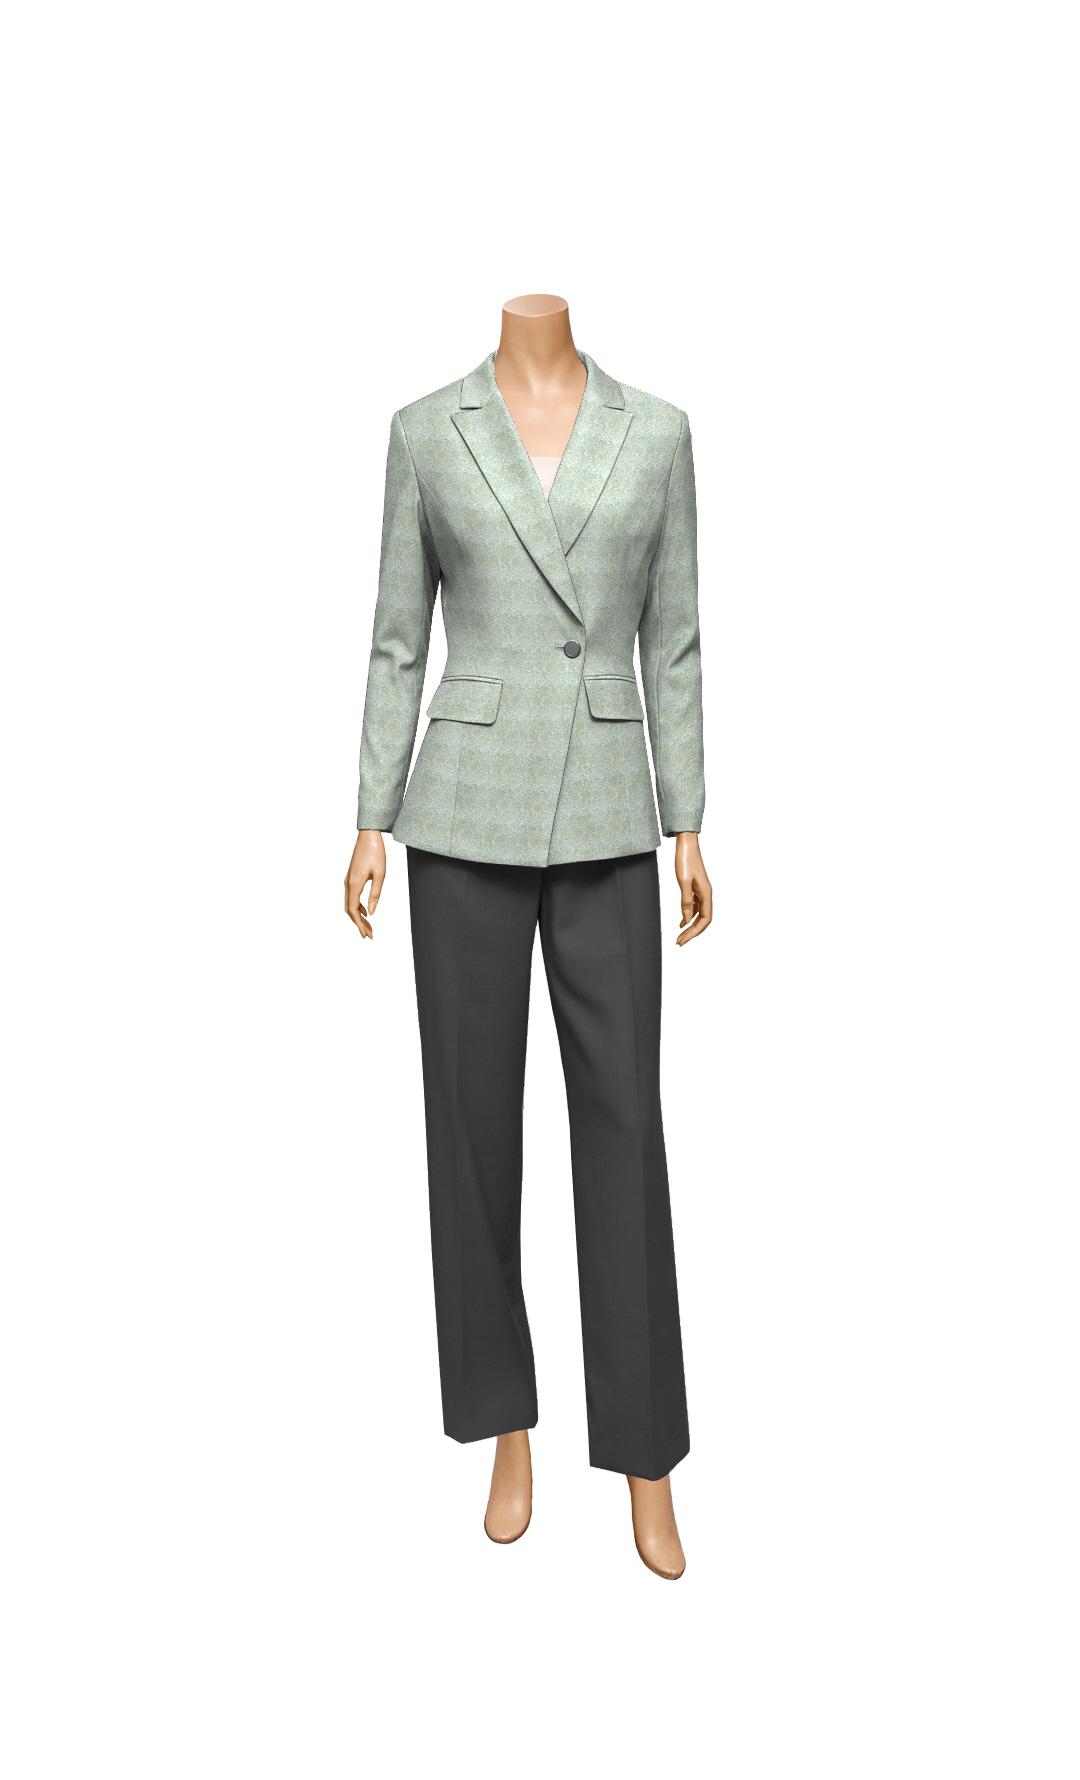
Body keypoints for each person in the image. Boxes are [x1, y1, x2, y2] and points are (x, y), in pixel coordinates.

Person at [345, 294, 711, 1579]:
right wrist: (370, 815)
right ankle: (507, 1424)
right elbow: (399, 642)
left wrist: (688, 818)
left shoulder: (656, 431)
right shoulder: (425, 430)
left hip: (610, 809)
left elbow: (675, 640)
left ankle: (647, 1455)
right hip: (461, 816)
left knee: (625, 1129)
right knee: (469, 1130)